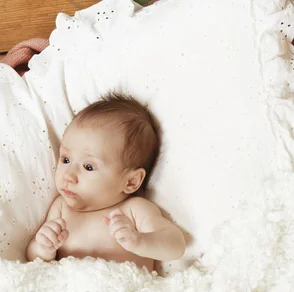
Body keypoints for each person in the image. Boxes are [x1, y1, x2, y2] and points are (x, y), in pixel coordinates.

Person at [26, 92, 185, 271]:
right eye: (66, 160)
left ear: (131, 182)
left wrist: (140, 241)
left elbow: (176, 245)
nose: (68, 174)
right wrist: (43, 248)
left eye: (88, 167)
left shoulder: (134, 210)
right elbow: (34, 261)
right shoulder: (61, 208)